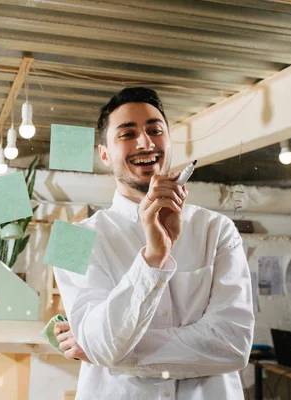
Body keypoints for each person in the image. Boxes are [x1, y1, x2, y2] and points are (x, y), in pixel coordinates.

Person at [53, 87, 255, 399]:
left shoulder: (219, 229)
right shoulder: (68, 239)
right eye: (127, 133)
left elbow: (233, 345)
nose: (145, 142)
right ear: (104, 154)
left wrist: (111, 353)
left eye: (155, 130)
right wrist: (154, 257)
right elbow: (102, 343)